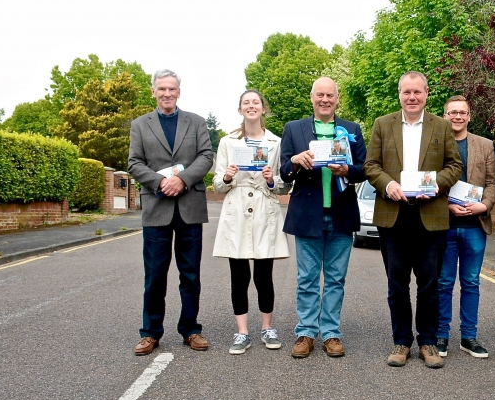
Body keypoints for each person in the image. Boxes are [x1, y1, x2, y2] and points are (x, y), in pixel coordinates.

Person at [365, 71, 462, 369]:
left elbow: (454, 165)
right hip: (393, 215)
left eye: (417, 92)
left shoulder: (442, 126)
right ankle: (402, 341)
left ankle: (428, 342)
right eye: (406, 92)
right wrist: (387, 185)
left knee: (430, 283)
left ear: (426, 93)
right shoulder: (383, 124)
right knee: (397, 284)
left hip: (429, 214)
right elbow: (371, 165)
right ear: (399, 94)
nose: (412, 97)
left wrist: (437, 185)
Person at [280, 77, 367, 358]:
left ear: (337, 98)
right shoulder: (294, 129)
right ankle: (305, 332)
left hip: (341, 213)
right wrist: (295, 161)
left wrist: (348, 171)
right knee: (306, 278)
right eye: (320, 95)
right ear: (312, 97)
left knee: (335, 279)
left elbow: (365, 169)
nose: (325, 100)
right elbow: (283, 170)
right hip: (307, 214)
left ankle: (330, 333)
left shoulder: (352, 130)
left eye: (330, 95)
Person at [128, 69, 213, 356]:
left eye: (172, 89)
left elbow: (206, 156)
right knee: (154, 275)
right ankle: (150, 333)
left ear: (179, 92)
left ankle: (191, 329)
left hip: (190, 207)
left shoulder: (196, 122)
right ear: (153, 91)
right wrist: (162, 181)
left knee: (190, 274)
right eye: (162, 89)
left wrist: (183, 179)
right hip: (157, 207)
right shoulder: (140, 125)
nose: (167, 94)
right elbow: (134, 163)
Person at [212, 90, 290, 355]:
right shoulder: (227, 142)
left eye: (255, 102)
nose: (251, 106)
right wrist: (227, 177)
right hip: (236, 210)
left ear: (263, 109)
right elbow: (217, 183)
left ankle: (267, 328)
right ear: (240, 110)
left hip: (264, 209)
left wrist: (271, 179)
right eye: (246, 103)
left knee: (264, 275)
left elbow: (283, 185)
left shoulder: (275, 143)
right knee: (239, 274)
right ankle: (242, 331)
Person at [436, 95, 495, 358]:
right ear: (445, 115)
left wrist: (484, 206)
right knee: (443, 283)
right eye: (453, 113)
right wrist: (447, 205)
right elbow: (429, 182)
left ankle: (469, 337)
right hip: (445, 223)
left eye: (462, 112)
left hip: (475, 224)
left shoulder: (484, 145)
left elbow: (493, 182)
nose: (458, 116)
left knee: (471, 282)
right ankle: (440, 336)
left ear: (469, 116)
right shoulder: (435, 143)